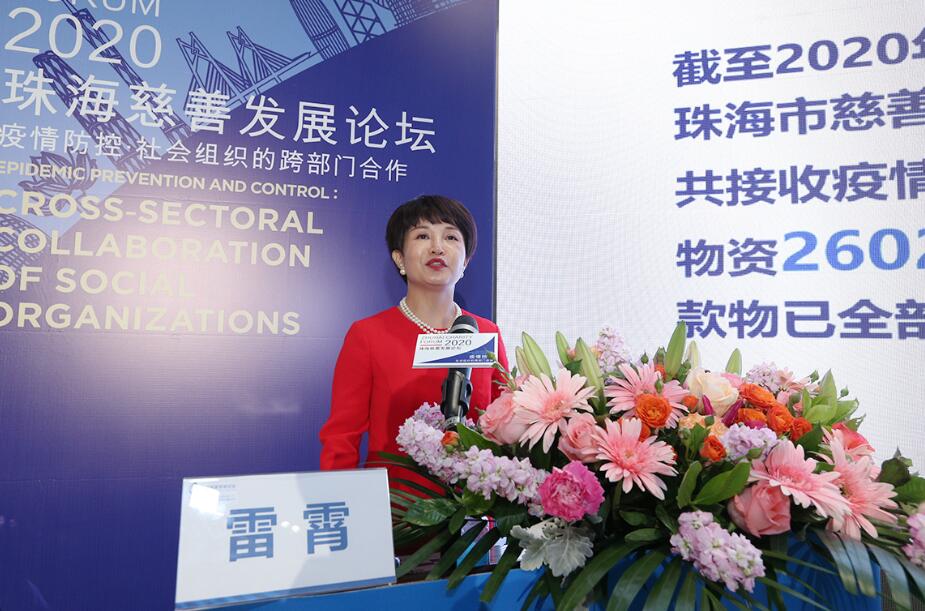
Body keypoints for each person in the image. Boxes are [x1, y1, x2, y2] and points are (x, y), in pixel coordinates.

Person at [319, 195, 509, 471]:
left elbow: (505, 427)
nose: (437, 247)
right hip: (394, 495)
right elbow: (341, 438)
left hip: (471, 493)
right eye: (422, 236)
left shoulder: (486, 333)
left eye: (451, 237)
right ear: (400, 258)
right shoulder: (368, 335)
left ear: (466, 261)